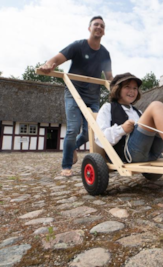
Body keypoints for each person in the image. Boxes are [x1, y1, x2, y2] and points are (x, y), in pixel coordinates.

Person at [40, 16, 113, 177]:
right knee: (73, 129)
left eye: (102, 26)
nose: (99, 27)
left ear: (104, 31)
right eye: (96, 25)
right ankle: (66, 166)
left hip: (93, 96)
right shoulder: (78, 46)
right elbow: (57, 58)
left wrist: (118, 87)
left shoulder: (105, 53)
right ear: (89, 28)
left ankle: (72, 147)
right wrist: (48, 64)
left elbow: (109, 77)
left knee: (90, 132)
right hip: (74, 92)